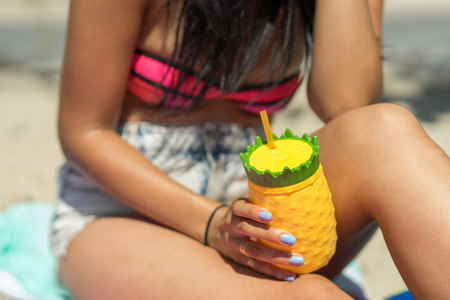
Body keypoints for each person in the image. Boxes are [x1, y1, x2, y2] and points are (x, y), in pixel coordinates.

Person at [50, 0, 450, 299]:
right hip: (125, 206)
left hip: (253, 195)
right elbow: (84, 131)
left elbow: (345, 103)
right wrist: (211, 223)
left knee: (386, 132)